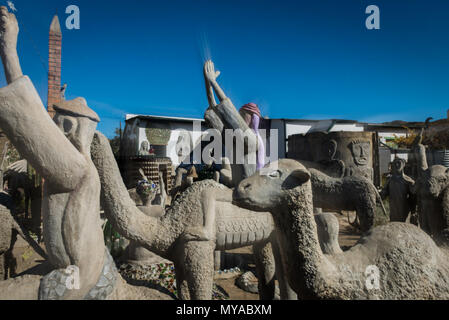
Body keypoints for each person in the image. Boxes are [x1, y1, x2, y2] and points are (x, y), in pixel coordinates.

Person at [0, 6, 116, 299]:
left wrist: (9, 50)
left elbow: (30, 122)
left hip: (78, 277)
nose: (56, 129)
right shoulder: (80, 166)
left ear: (77, 129)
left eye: (63, 123)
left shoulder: (77, 167)